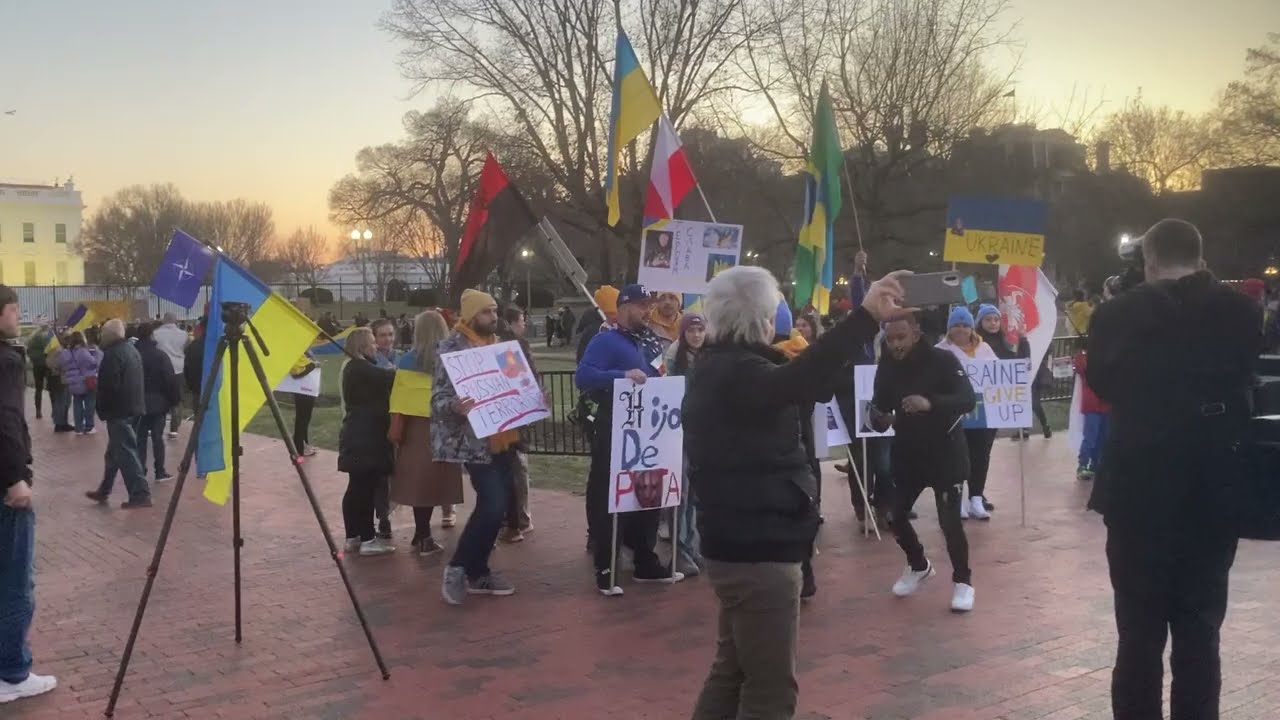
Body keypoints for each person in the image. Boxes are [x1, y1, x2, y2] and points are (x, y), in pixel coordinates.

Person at [685, 266, 908, 719]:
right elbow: (794, 380)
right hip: (757, 548)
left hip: (742, 542)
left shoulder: (726, 366)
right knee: (770, 690)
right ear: (761, 317)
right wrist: (864, 318)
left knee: (731, 671)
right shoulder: (739, 373)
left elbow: (807, 379)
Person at [1085, 219, 1261, 720]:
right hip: (1212, 487)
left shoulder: (1118, 312)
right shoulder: (1242, 311)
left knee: (1138, 635)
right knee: (1200, 630)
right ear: (1202, 259)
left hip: (1138, 488)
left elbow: (1103, 382)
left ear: (1149, 261)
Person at [577, 284, 680, 596]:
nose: (645, 311)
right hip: (616, 425)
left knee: (648, 489)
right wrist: (620, 376)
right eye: (639, 305)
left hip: (649, 427)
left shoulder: (648, 341)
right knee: (611, 492)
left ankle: (644, 557)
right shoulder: (605, 340)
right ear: (622, 307)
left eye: (646, 305)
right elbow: (583, 376)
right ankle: (606, 564)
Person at [870, 313, 976, 613]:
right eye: (889, 339)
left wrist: (930, 404)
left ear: (915, 333)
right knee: (894, 516)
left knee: (949, 522)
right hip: (907, 453)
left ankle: (963, 582)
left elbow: (967, 399)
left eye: (901, 337)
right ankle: (918, 565)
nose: (895, 345)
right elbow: (880, 404)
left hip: (946, 453)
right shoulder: (887, 366)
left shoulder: (942, 360)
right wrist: (879, 418)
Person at [434, 289, 519, 605]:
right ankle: (458, 567)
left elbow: (515, 385)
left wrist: (532, 398)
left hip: (503, 435)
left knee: (498, 505)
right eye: (486, 312)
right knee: (494, 502)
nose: (494, 318)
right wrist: (454, 406)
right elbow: (438, 400)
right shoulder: (451, 349)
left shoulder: (499, 347)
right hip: (474, 440)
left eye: (495, 311)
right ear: (470, 315)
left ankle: (478, 571)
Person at [0, 286, 57, 705]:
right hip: (5, 486)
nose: (18, 316)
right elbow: (5, 419)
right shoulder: (5, 361)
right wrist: (16, 476)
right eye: (14, 310)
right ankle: (13, 672)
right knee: (16, 580)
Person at [389, 311, 463, 556]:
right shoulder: (452, 357)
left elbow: (398, 397)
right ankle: (424, 537)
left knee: (419, 482)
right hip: (442, 426)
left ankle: (421, 533)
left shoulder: (407, 360)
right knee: (435, 483)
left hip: (413, 427)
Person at [338, 327, 397, 556]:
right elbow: (391, 378)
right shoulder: (361, 368)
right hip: (366, 437)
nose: (376, 345)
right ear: (362, 345)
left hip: (356, 435)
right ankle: (368, 538)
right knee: (364, 489)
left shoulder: (354, 368)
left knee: (355, 488)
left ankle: (353, 536)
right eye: (372, 342)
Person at [935, 306, 997, 520]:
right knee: (957, 458)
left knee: (981, 456)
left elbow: (999, 377)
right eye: (956, 325)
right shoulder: (940, 350)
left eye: (965, 325)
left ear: (972, 328)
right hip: (955, 416)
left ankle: (976, 498)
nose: (961, 330)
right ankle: (957, 499)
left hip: (984, 413)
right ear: (949, 328)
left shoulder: (986, 349)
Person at [84, 319, 151, 509]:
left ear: (109, 335)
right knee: (114, 453)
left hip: (120, 410)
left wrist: (102, 409)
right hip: (134, 407)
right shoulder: (131, 350)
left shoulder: (113, 355)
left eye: (103, 333)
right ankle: (104, 489)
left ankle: (140, 493)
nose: (101, 337)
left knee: (126, 452)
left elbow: (108, 386)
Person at [663, 312, 705, 576]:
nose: (697, 335)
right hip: (678, 432)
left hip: (703, 434)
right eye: (691, 331)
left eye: (700, 330)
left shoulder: (710, 357)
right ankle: (680, 549)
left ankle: (692, 546)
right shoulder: (673, 359)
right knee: (680, 492)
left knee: (696, 494)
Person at [976, 304, 1051, 439]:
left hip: (997, 401)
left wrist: (1023, 339)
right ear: (980, 322)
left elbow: (1022, 363)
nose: (993, 323)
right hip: (980, 403)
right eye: (988, 319)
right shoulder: (973, 344)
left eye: (996, 319)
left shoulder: (1003, 343)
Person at [497, 306, 536, 543]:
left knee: (513, 467)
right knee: (514, 467)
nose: (524, 324)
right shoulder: (511, 346)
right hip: (511, 415)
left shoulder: (509, 347)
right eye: (522, 320)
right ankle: (518, 518)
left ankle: (517, 518)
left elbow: (523, 378)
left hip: (509, 414)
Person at [133, 322, 179, 482]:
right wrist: (173, 401)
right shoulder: (160, 355)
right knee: (158, 438)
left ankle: (139, 470)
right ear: (152, 335)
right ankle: (159, 471)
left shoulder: (133, 354)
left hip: (138, 402)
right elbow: (169, 379)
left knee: (140, 438)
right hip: (159, 402)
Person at [369, 317, 401, 543]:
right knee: (380, 475)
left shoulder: (401, 358)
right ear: (374, 338)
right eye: (382, 335)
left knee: (396, 472)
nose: (387, 339)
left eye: (390, 334)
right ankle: (383, 519)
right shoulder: (370, 361)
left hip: (399, 421)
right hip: (379, 423)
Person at [1072, 339, 1110, 480]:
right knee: (1091, 436)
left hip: (1106, 403)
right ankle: (1083, 464)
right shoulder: (1084, 358)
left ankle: (1097, 463)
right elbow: (1080, 366)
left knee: (1104, 436)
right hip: (1092, 404)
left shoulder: (1108, 356)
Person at [58, 331, 102, 435]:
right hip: (86, 382)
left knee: (77, 404)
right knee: (89, 404)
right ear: (82, 339)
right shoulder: (82, 351)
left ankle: (78, 428)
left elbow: (61, 366)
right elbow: (94, 363)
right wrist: (97, 353)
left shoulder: (66, 353)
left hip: (73, 383)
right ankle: (89, 427)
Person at [153, 312, 188, 439]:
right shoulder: (184, 335)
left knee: (160, 398)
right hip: (178, 369)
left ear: (164, 320)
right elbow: (186, 351)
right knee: (177, 400)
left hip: (161, 370)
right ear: (176, 321)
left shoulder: (155, 334)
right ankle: (174, 428)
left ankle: (157, 426)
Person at [288, 349, 320, 457]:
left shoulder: (305, 350)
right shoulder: (297, 351)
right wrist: (313, 365)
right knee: (303, 418)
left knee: (305, 418)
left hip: (306, 388)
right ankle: (299, 448)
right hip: (303, 389)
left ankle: (304, 444)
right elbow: (297, 373)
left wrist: (313, 364)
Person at [576, 286, 618, 363]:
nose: (616, 317)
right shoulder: (595, 332)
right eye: (611, 313)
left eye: (617, 312)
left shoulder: (618, 328)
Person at [43, 334, 73, 433]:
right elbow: (51, 363)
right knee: (61, 402)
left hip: (62, 379)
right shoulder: (57, 350)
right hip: (60, 379)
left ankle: (63, 423)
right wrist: (59, 368)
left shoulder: (59, 349)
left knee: (65, 402)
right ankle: (59, 424)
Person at [24, 324, 51, 420]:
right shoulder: (46, 338)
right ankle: (55, 411)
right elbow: (50, 350)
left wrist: (33, 359)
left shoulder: (32, 339)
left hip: (36, 366)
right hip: (46, 365)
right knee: (51, 388)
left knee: (38, 389)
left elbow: (28, 351)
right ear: (45, 330)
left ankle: (38, 411)